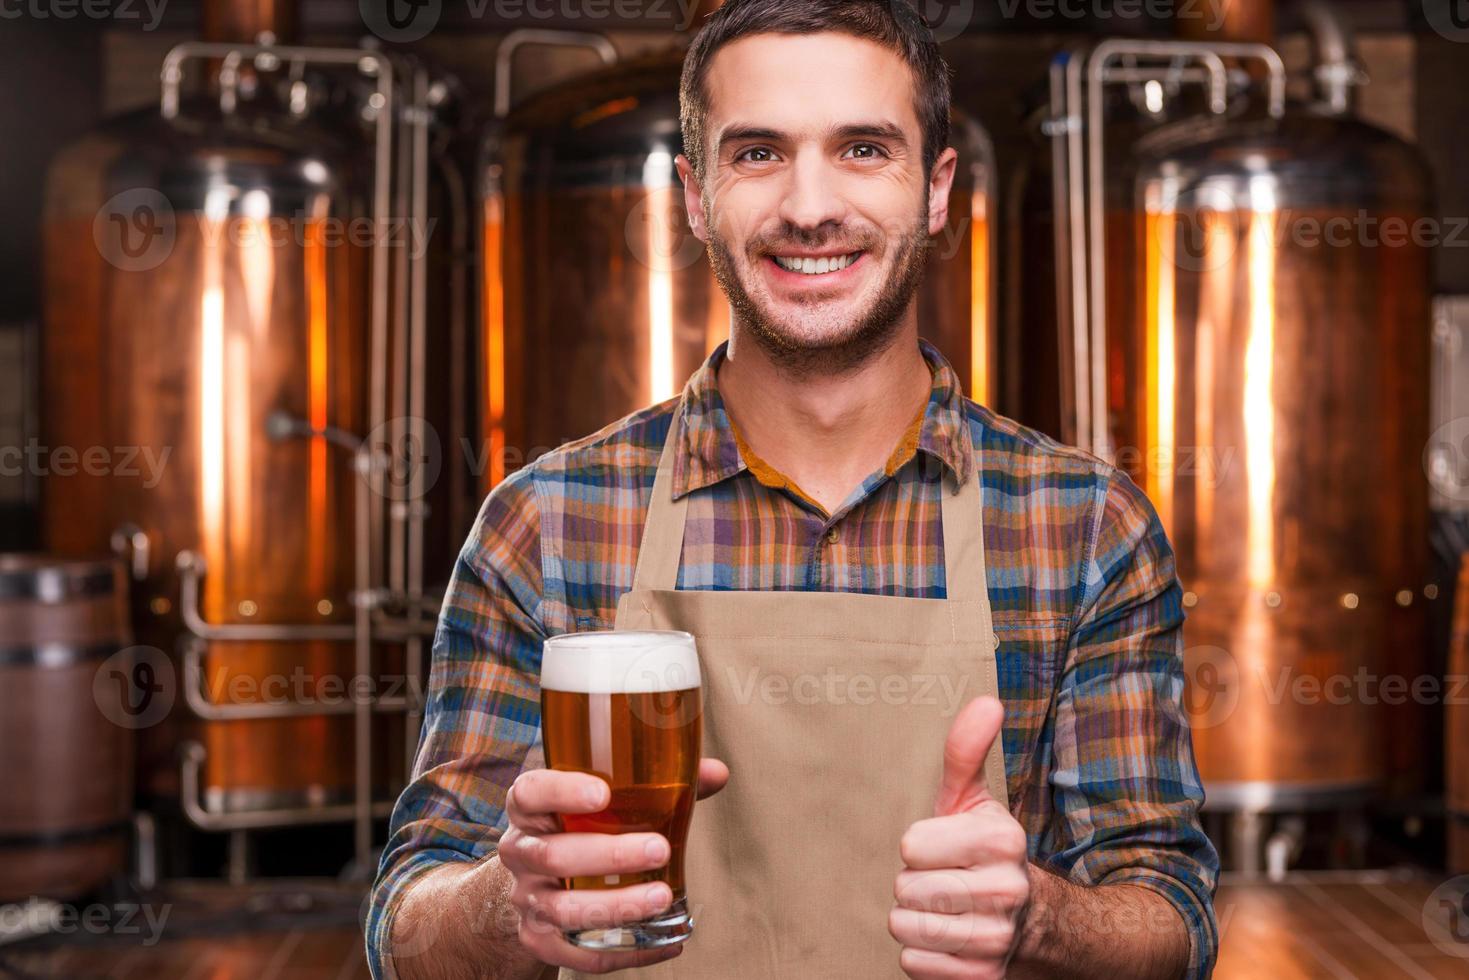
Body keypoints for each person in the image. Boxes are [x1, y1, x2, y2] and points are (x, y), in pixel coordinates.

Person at [365, 1, 1219, 977]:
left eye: (862, 148)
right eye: (758, 153)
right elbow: (404, 928)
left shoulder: (1082, 527)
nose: (809, 206)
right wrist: (498, 899)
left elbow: (1172, 913)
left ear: (936, 189)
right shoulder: (546, 521)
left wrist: (1043, 916)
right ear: (693, 195)